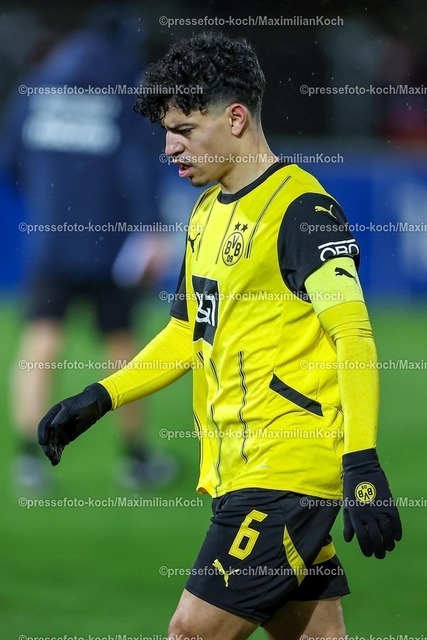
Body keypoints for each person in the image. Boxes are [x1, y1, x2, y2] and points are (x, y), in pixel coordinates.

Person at [37, 32, 402, 639]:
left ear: (235, 119)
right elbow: (187, 333)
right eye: (165, 132)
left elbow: (354, 337)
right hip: (238, 468)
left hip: (285, 473)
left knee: (191, 632)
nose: (169, 148)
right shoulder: (206, 211)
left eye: (184, 129)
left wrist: (362, 463)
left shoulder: (303, 210)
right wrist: (100, 398)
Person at [2, 9, 177, 491]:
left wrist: (49, 200)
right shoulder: (124, 82)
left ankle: (28, 459)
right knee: (123, 347)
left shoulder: (39, 82)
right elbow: (138, 165)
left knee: (41, 343)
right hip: (108, 241)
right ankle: (136, 459)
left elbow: (11, 160)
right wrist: (151, 228)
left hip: (52, 239)